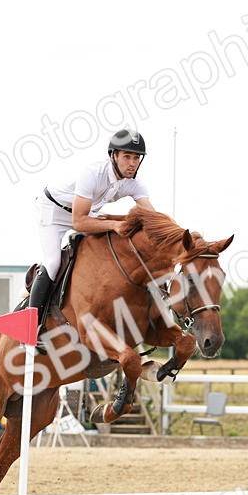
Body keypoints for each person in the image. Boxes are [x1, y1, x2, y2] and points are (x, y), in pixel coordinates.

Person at [32, 128, 154, 343]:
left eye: (136, 158)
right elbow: (79, 223)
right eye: (127, 157)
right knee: (52, 262)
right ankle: (33, 325)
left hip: (88, 213)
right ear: (113, 156)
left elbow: (153, 217)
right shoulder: (93, 174)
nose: (132, 163)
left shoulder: (134, 184)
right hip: (54, 211)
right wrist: (115, 224)